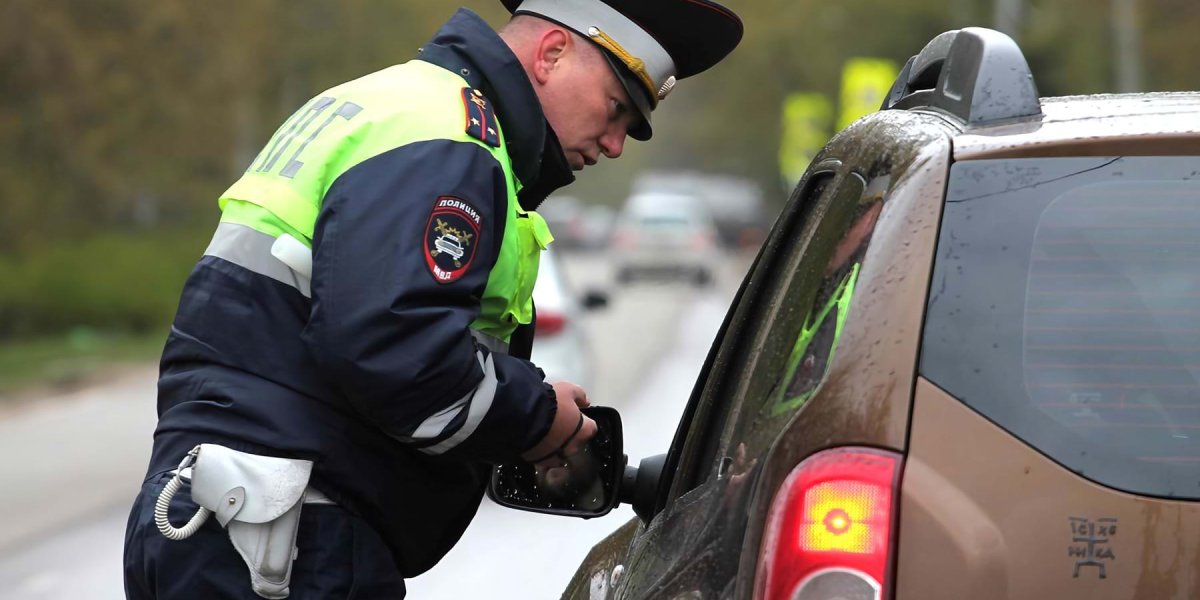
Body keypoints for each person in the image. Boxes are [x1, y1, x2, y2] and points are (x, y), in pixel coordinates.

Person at [122, 0, 743, 597]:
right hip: (287, 543)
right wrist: (538, 416)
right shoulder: (451, 140)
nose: (613, 144)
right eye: (615, 110)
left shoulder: (380, 101)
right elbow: (394, 346)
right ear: (552, 53)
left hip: (211, 515)